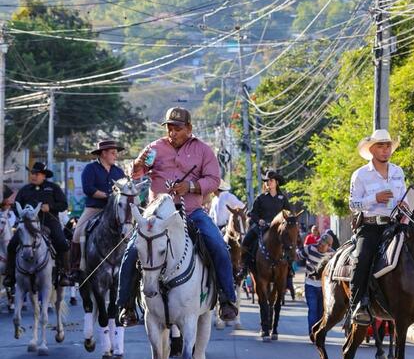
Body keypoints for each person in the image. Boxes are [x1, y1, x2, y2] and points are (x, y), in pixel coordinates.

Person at [116, 107, 239, 325]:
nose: (172, 132)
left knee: (219, 246)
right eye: (169, 128)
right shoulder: (154, 148)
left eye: (177, 128)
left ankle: (226, 298)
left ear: (189, 128)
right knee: (132, 250)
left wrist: (190, 186)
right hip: (156, 215)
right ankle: (126, 306)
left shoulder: (203, 150)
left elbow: (213, 180)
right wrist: (137, 165)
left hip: (191, 212)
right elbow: (134, 175)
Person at [348, 129, 408, 325]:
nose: (385, 150)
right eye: (381, 146)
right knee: (362, 259)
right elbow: (353, 204)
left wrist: (405, 204)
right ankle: (358, 304)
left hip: (395, 224)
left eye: (388, 146)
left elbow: (404, 196)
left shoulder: (398, 172)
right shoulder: (360, 175)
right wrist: (375, 198)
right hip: (371, 226)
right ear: (372, 150)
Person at [3, 162, 71, 288]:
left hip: (49, 222)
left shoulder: (53, 188)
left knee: (62, 243)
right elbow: (16, 206)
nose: (33, 176)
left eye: (37, 174)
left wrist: (50, 207)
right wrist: (22, 215)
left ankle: (65, 273)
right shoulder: (24, 189)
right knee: (12, 245)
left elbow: (64, 205)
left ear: (44, 176)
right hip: (28, 224)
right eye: (32, 173)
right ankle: (10, 275)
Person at [70, 140, 127, 281]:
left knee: (129, 230)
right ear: (103, 153)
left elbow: (125, 190)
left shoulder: (119, 171)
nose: (116, 156)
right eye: (113, 153)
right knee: (77, 233)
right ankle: (75, 268)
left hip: (114, 211)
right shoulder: (90, 168)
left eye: (116, 153)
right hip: (94, 209)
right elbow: (88, 189)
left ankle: (130, 268)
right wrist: (109, 196)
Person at [241, 170, 292, 272]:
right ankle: (245, 267)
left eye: (271, 180)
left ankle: (289, 269)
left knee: (290, 243)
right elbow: (252, 213)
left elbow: (288, 213)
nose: (268, 182)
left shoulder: (283, 198)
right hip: (262, 227)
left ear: (276, 182)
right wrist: (259, 220)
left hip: (279, 228)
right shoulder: (260, 198)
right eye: (266, 181)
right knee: (246, 240)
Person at [302, 233, 334, 335]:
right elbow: (298, 256)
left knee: (322, 312)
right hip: (310, 285)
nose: (319, 245)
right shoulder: (309, 249)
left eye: (323, 245)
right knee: (313, 310)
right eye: (319, 243)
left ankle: (320, 333)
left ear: (329, 246)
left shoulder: (333, 255)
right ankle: (313, 333)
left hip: (324, 288)